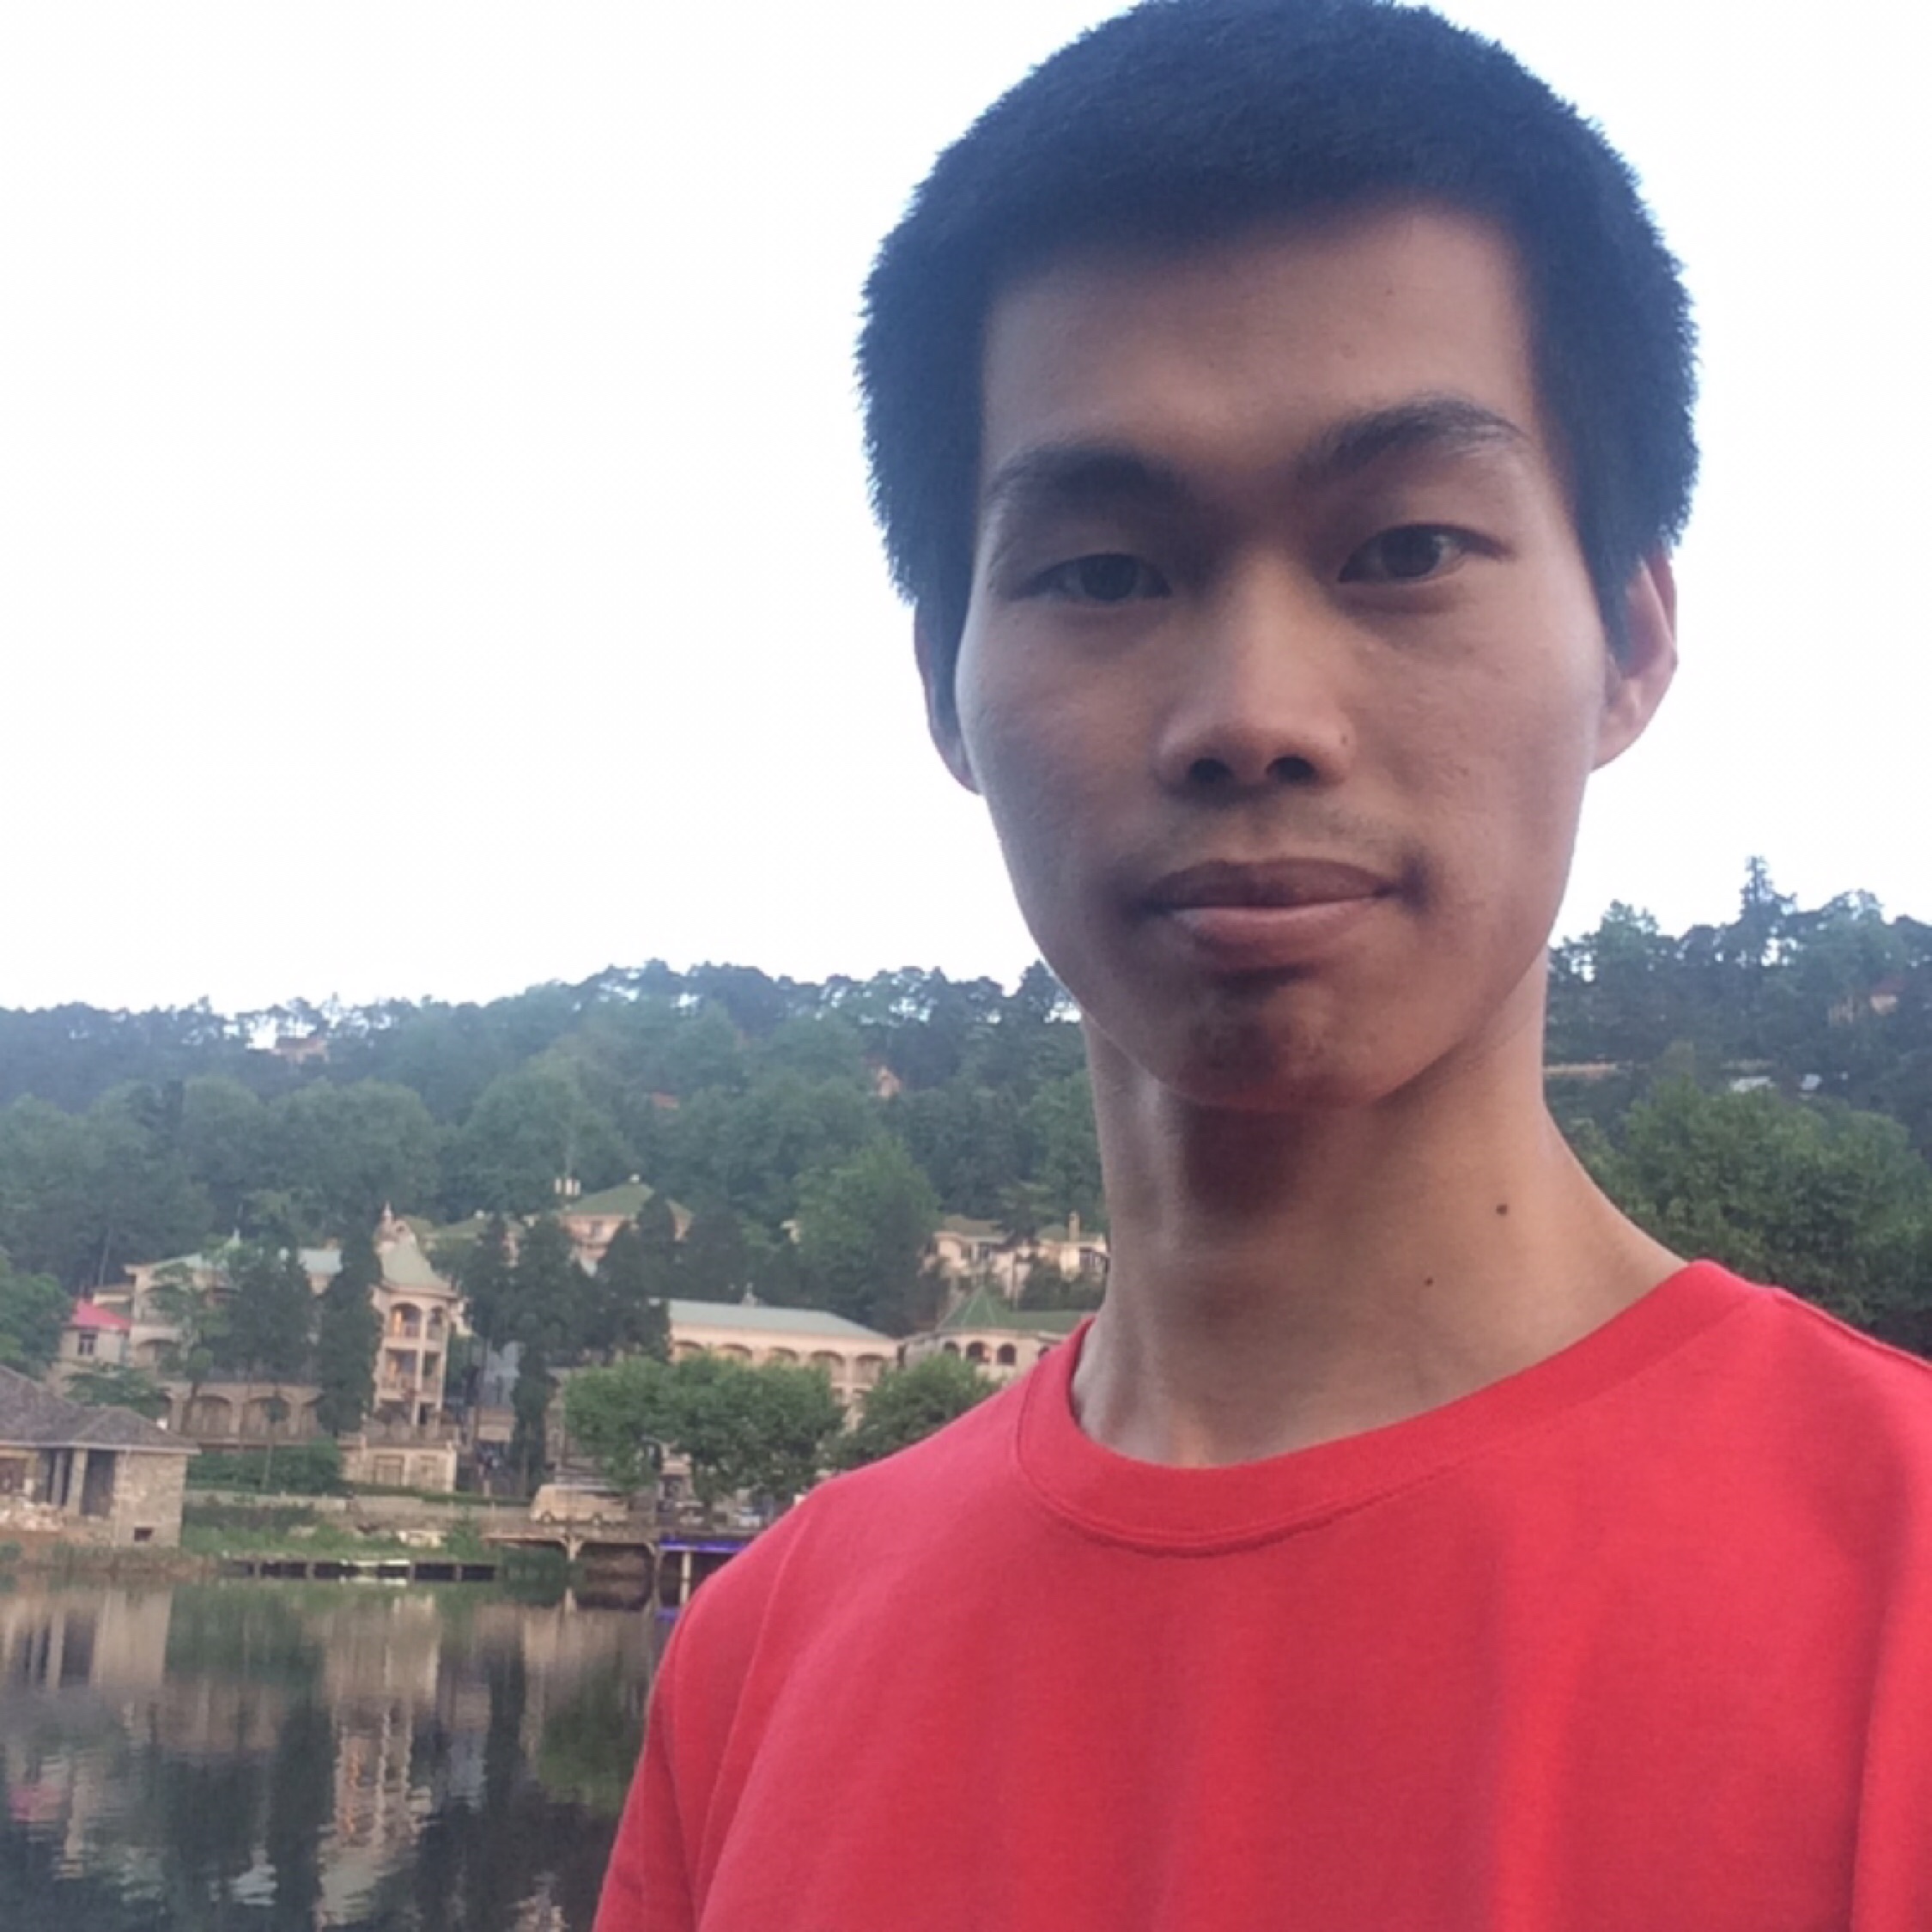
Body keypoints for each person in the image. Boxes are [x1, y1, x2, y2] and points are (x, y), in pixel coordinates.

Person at [596, 3, 1932, 1926]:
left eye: (1405, 547)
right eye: (1104, 571)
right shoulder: (761, 1656)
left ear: (1631, 640)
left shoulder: (1894, 1594)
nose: (1251, 714)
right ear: (944, 687)